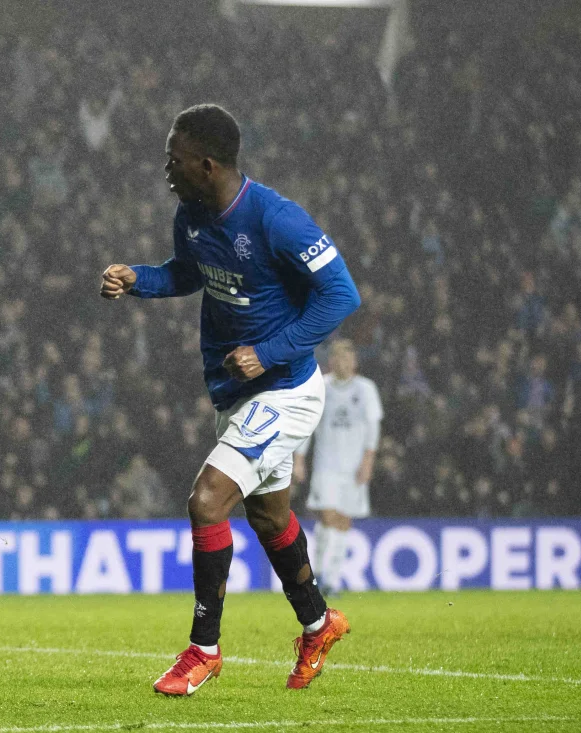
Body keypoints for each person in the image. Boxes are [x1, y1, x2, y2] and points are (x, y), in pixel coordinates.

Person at [101, 104, 361, 695]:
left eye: (174, 157)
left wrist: (269, 352)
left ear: (206, 163)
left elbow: (341, 295)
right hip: (235, 393)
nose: (166, 166)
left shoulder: (277, 219)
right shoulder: (190, 215)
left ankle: (203, 651)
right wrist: (138, 279)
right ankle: (319, 624)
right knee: (269, 516)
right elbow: (187, 274)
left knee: (207, 501)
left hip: (285, 389)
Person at [293, 339, 383, 596]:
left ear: (354, 361)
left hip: (354, 467)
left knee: (343, 521)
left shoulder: (366, 389)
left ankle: (329, 579)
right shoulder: (322, 386)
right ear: (331, 361)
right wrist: (299, 458)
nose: (343, 362)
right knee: (329, 515)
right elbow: (308, 426)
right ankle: (320, 573)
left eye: (348, 358)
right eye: (339, 357)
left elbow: (373, 428)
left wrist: (368, 461)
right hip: (326, 466)